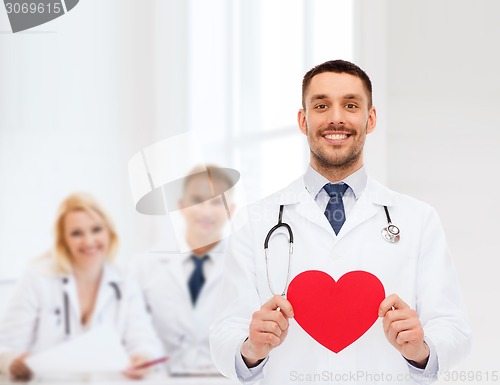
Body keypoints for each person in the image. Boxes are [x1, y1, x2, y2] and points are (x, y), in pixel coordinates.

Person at [209, 60, 471, 385]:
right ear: (303, 121)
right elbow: (224, 332)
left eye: (350, 105)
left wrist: (421, 350)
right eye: (321, 105)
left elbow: (454, 326)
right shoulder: (256, 221)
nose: (336, 117)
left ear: (370, 119)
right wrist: (251, 348)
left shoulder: (418, 219)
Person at [0, 193, 164, 381]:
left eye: (96, 230)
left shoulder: (125, 279)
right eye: (76, 233)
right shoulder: (37, 278)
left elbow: (143, 339)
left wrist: (142, 358)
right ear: (63, 240)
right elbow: (5, 346)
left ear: (109, 232)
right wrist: (14, 362)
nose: (89, 241)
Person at [134, 165, 236, 374]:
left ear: (230, 211)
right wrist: (142, 355)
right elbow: (135, 326)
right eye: (197, 200)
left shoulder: (245, 266)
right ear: (181, 206)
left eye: (217, 201)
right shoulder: (145, 266)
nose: (206, 211)